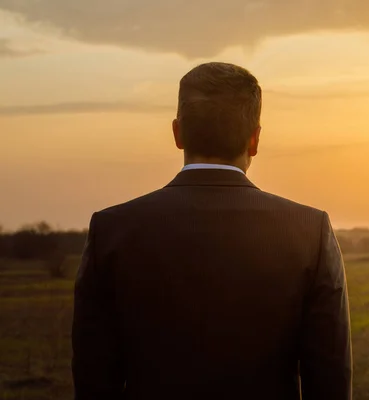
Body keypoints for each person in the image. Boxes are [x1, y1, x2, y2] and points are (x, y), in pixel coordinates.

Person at [72, 62, 352, 400]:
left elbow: (93, 382)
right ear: (255, 139)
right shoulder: (309, 231)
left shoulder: (111, 231)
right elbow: (330, 381)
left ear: (177, 133)